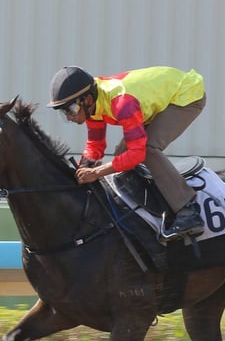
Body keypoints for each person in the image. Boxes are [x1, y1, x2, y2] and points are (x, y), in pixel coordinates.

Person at [48, 65, 207, 241]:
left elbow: (137, 154)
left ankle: (187, 211)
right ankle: (151, 207)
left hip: (185, 96)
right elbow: (95, 145)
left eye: (70, 109)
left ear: (87, 100)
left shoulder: (122, 103)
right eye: (64, 112)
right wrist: (81, 170)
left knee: (147, 149)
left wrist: (97, 172)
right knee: (120, 154)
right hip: (157, 100)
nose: (69, 116)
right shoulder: (93, 107)